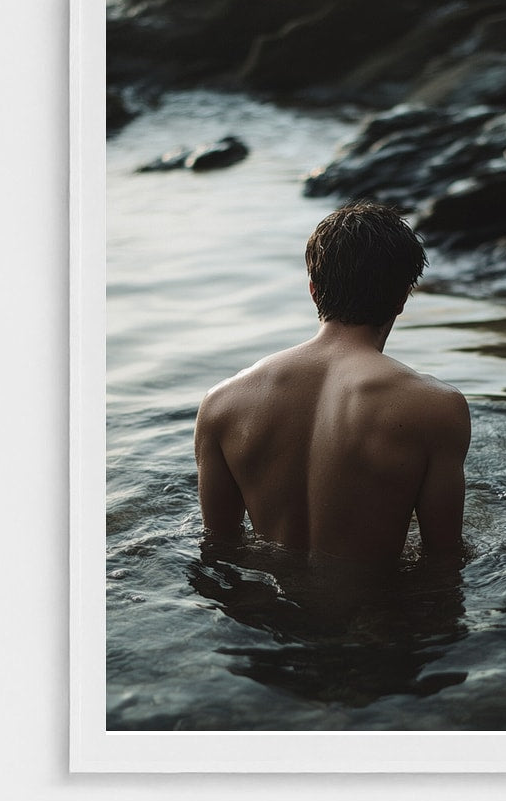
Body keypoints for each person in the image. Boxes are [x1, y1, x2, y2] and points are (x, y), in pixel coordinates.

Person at [194, 202, 471, 568]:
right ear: (402, 298)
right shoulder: (436, 407)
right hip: (379, 616)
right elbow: (444, 557)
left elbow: (218, 550)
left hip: (269, 620)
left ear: (313, 289)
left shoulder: (221, 403)